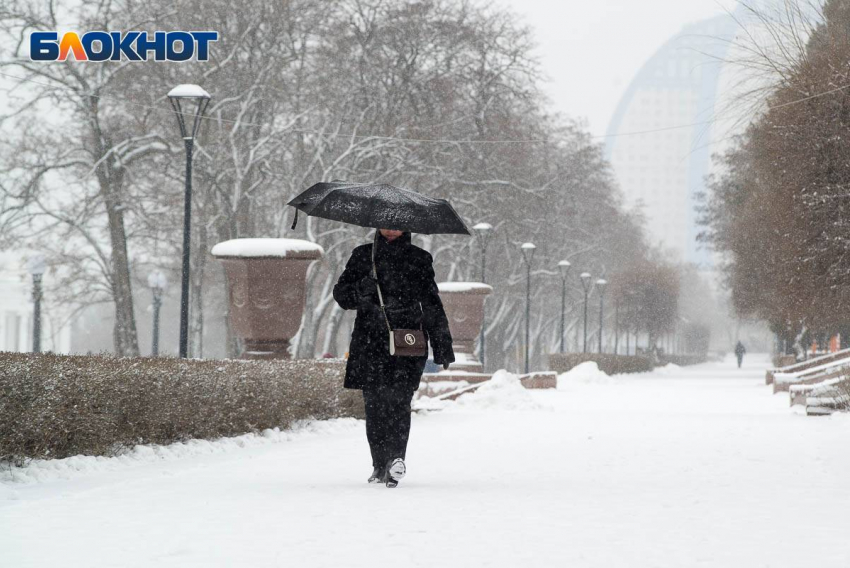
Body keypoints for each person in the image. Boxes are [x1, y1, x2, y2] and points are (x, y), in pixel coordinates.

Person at [333, 229, 454, 488]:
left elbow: (432, 303)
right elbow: (342, 295)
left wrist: (442, 345)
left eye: (397, 224)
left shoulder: (419, 258)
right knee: (374, 405)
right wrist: (360, 291)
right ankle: (379, 464)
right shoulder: (363, 255)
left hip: (407, 342)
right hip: (370, 342)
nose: (391, 229)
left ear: (406, 228)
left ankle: (396, 459)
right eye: (386, 224)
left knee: (399, 402)